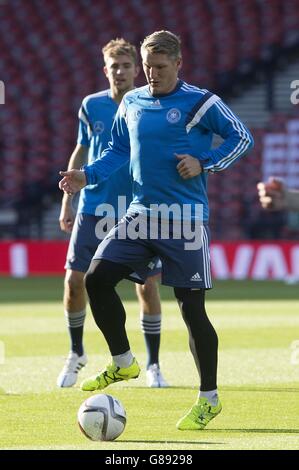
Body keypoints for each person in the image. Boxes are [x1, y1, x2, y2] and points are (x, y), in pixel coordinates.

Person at [59, 31, 254, 430]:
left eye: (161, 68)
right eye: (148, 67)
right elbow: (116, 150)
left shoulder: (201, 102)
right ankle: (123, 362)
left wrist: (205, 162)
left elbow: (241, 137)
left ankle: (208, 399)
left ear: (179, 64)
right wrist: (86, 176)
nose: (152, 75)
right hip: (140, 214)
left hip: (184, 219)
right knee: (95, 279)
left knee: (191, 309)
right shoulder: (132, 101)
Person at [57, 38, 168, 389]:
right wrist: (67, 200)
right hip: (93, 207)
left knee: (148, 287)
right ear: (105, 71)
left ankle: (152, 364)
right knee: (75, 282)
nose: (119, 72)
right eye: (113, 66)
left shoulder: (148, 105)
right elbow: (81, 149)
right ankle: (76, 352)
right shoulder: (91, 106)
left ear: (137, 70)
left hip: (134, 209)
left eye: (126, 66)